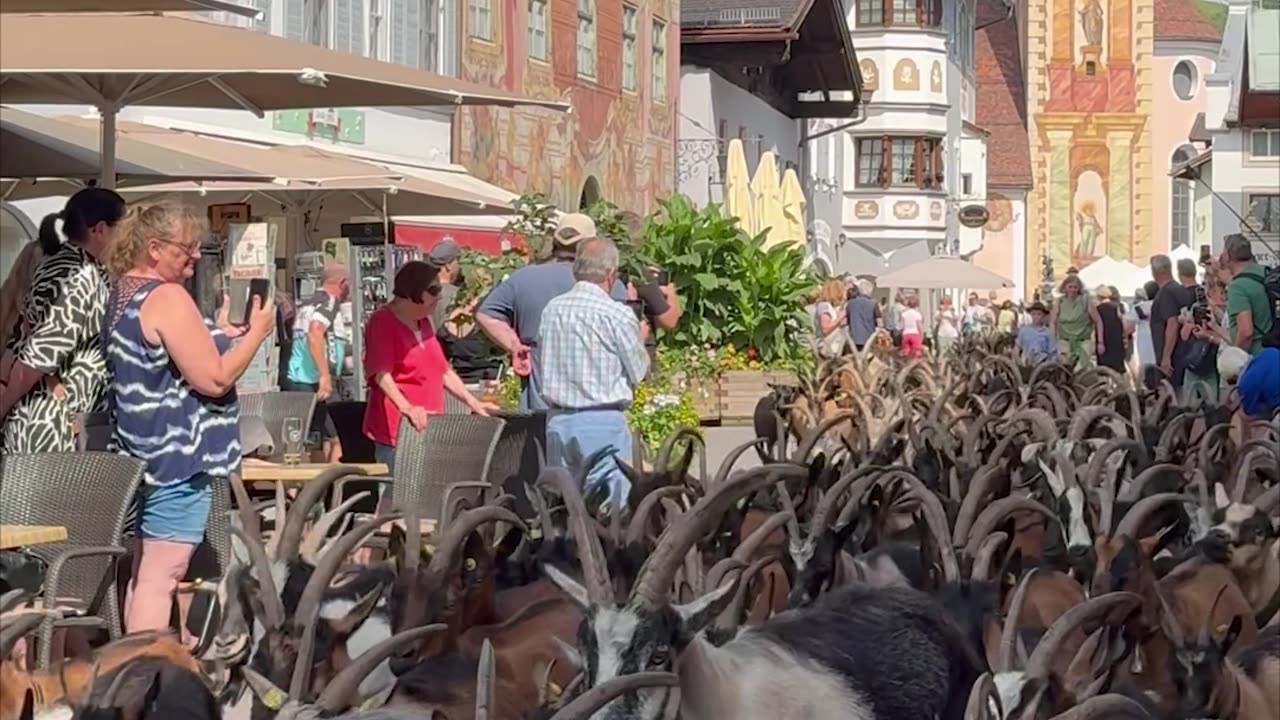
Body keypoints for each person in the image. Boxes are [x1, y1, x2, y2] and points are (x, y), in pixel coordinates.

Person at [102, 200, 275, 635]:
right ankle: (144, 666)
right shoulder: (167, 296)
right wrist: (257, 334)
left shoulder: (124, 293)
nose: (196, 256)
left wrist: (220, 333)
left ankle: (138, 659)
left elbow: (162, 360)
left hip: (138, 450)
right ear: (154, 248)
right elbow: (214, 379)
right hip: (177, 455)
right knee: (163, 577)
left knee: (145, 574)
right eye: (187, 248)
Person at [0, 188, 125, 452]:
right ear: (100, 229)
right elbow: (37, 356)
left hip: (65, 415)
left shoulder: (78, 267)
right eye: (123, 230)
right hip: (51, 424)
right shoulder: (75, 275)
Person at [476, 214, 628, 410]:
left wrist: (515, 346)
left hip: (539, 402)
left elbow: (486, 314)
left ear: (556, 242)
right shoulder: (607, 283)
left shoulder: (524, 278)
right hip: (595, 406)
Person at [537, 236, 648, 501]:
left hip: (559, 420)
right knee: (611, 508)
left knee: (564, 506)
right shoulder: (616, 314)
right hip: (602, 419)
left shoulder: (553, 309)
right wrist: (641, 338)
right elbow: (639, 371)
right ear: (611, 274)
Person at [362, 261, 497, 470]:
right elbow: (381, 374)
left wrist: (474, 403)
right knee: (398, 488)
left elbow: (443, 371)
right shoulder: (383, 321)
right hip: (399, 431)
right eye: (433, 291)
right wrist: (407, 408)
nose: (439, 297)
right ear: (412, 291)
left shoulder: (423, 321)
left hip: (429, 426)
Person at [282, 261, 350, 463]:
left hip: (299, 379)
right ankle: (337, 481)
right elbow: (315, 332)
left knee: (315, 440)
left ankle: (315, 481)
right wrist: (325, 376)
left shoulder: (307, 303)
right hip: (317, 381)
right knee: (340, 439)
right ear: (342, 282)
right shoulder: (329, 301)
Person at [1221, 233, 1275, 355]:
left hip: (1256, 354)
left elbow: (1246, 331)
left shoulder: (1237, 287)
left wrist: (1236, 356)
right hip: (1274, 351)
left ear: (1228, 256)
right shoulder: (1267, 273)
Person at [1149, 254, 1192, 382]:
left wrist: (1166, 356)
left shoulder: (1166, 293)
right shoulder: (1180, 289)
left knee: (1169, 390)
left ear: (1156, 271)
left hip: (1172, 356)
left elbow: (1172, 323)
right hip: (1183, 351)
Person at [1050, 273, 1102, 369]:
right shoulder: (1059, 302)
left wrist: (1100, 342)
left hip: (1083, 341)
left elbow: (1098, 321)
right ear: (1065, 288)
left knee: (1079, 369)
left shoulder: (1085, 301)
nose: (1072, 290)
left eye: (1075, 287)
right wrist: (1052, 340)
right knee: (1065, 368)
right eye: (1070, 287)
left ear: (1079, 289)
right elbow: (1052, 322)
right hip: (1065, 341)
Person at [425, 238, 462, 329]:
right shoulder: (457, 295)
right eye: (457, 262)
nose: (459, 267)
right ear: (448, 266)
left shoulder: (421, 291)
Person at [1125, 282, 1158, 374]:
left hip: (1144, 344)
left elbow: (1128, 327)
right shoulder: (1162, 306)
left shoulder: (1139, 308)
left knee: (1146, 372)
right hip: (1160, 342)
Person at [813, 278, 848, 359]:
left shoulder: (831, 307)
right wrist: (840, 318)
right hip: (827, 348)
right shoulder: (824, 306)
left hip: (834, 348)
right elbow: (825, 328)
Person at [1093, 286, 1127, 371]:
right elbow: (1123, 323)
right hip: (1117, 340)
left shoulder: (1097, 309)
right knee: (1117, 366)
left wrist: (1100, 342)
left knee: (1104, 368)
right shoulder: (1117, 307)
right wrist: (1125, 337)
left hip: (1104, 339)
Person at [844, 279, 882, 352]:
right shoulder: (873, 303)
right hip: (869, 341)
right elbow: (880, 324)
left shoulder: (850, 303)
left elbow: (846, 321)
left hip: (852, 341)